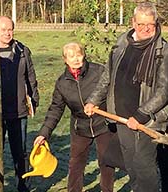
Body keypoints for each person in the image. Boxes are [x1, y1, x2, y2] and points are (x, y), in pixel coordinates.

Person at [83, 2, 168, 191]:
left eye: (150, 25)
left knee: (145, 168)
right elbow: (107, 77)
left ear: (156, 23)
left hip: (147, 121)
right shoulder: (121, 43)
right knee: (131, 166)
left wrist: (141, 115)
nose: (145, 28)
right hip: (121, 118)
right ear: (133, 22)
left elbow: (165, 90)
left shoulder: (165, 52)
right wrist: (93, 99)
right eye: (141, 24)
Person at [33, 42, 114, 192]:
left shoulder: (99, 71)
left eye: (78, 55)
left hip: (103, 123)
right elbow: (55, 110)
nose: (76, 59)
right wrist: (44, 133)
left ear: (84, 55)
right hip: (80, 126)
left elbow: (111, 93)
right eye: (71, 56)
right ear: (65, 59)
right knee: (76, 163)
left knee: (106, 161)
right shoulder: (62, 83)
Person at [0, 16, 39, 192]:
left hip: (18, 112)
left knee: (21, 153)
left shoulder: (23, 51)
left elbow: (31, 78)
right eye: (3, 30)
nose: (7, 33)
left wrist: (33, 101)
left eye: (10, 29)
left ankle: (24, 186)